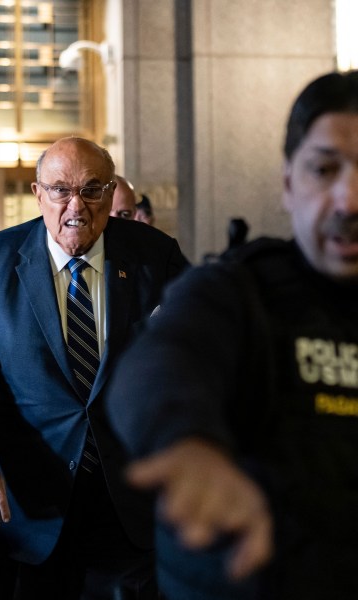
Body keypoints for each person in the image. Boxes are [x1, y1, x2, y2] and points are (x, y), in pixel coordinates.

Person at [105, 69, 358, 599]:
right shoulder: (236, 290)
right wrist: (188, 446)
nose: (349, 201)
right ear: (289, 183)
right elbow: (162, 362)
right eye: (324, 169)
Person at [0, 136, 189, 600]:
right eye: (60, 190)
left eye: (92, 190)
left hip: (132, 493)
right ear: (37, 193)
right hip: (31, 499)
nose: (76, 206)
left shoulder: (155, 255)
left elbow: (193, 354)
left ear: (111, 194)